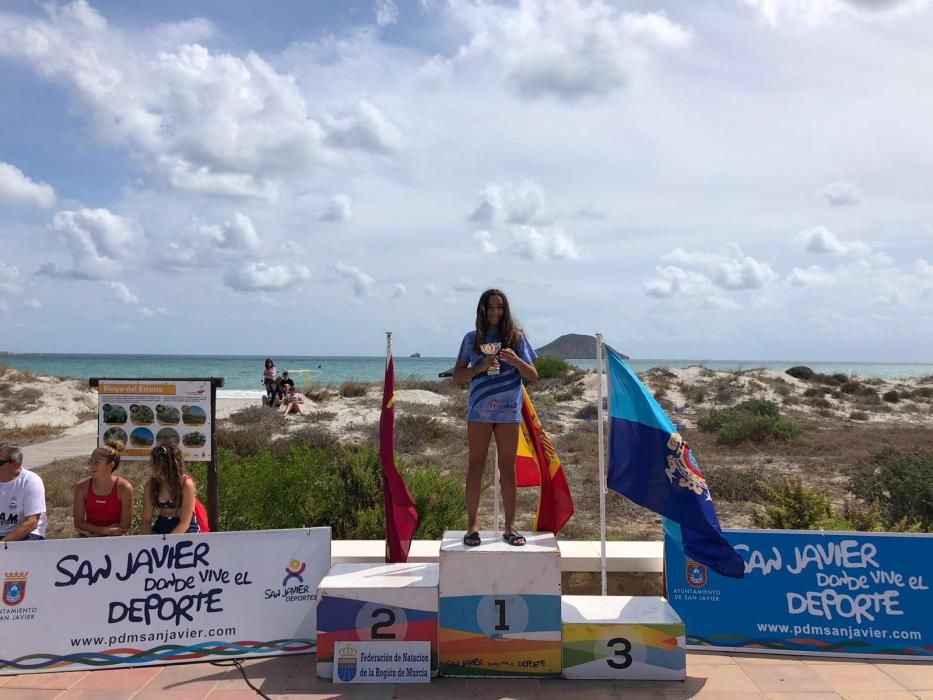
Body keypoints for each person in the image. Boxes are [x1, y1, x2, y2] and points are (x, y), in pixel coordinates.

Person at [452, 289, 538, 547]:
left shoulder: (516, 338)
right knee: (475, 466)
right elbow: (457, 376)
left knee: (508, 470)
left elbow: (533, 375)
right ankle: (472, 527)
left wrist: (515, 360)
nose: (494, 312)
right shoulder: (471, 338)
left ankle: (511, 527)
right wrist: (479, 368)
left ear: (505, 310)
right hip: (479, 410)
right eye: (490, 307)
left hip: (509, 411)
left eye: (499, 307)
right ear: (482, 309)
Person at [72, 442, 134, 537]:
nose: (92, 465)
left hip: (115, 537)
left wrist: (106, 533)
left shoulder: (124, 488)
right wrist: (104, 531)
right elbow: (78, 523)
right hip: (89, 536)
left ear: (111, 465)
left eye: (97, 462)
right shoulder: (81, 487)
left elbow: (124, 526)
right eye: (91, 461)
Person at [140, 444, 201, 535]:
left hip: (185, 528)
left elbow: (184, 523)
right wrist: (147, 540)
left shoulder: (186, 484)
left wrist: (167, 543)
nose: (152, 466)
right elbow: (146, 520)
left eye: (156, 463)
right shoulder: (152, 485)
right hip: (163, 524)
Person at [0, 443, 47, 541]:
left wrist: (2, 544)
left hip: (27, 534)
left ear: (15, 464)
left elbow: (32, 523)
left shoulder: (30, 481)